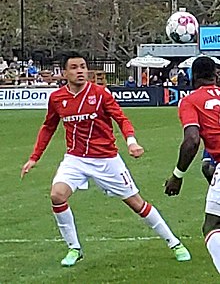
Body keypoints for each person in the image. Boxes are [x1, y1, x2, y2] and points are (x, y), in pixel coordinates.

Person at [21, 52, 190, 267]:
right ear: (64, 72)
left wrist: (131, 142)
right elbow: (48, 127)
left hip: (106, 160)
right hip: (75, 159)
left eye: (82, 66)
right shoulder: (57, 98)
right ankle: (74, 248)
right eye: (74, 67)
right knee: (57, 195)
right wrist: (34, 157)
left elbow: (121, 118)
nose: (80, 70)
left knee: (137, 204)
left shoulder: (101, 94)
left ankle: (174, 242)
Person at [164, 56, 220, 273]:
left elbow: (192, 140)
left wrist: (177, 175)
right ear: (215, 75)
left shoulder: (190, 100)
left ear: (192, 76)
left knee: (212, 225)